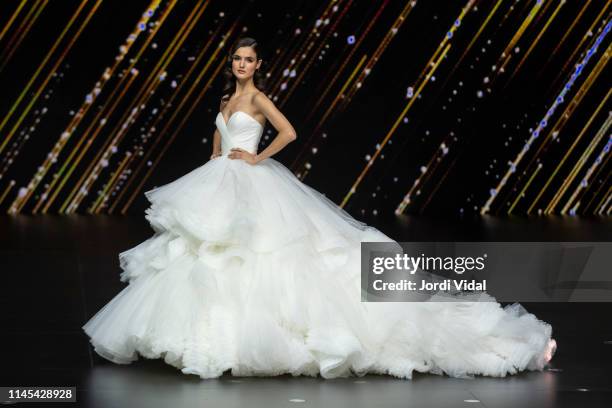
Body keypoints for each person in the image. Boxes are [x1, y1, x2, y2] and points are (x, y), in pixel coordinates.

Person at [82, 37, 556, 380]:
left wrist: (256, 156)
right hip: (220, 179)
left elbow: (289, 134)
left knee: (266, 253)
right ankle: (205, 338)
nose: (243, 64)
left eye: (249, 59)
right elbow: (218, 137)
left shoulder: (259, 98)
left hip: (252, 181)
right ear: (231, 63)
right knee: (203, 254)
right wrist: (215, 158)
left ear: (258, 63)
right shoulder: (227, 99)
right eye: (237, 59)